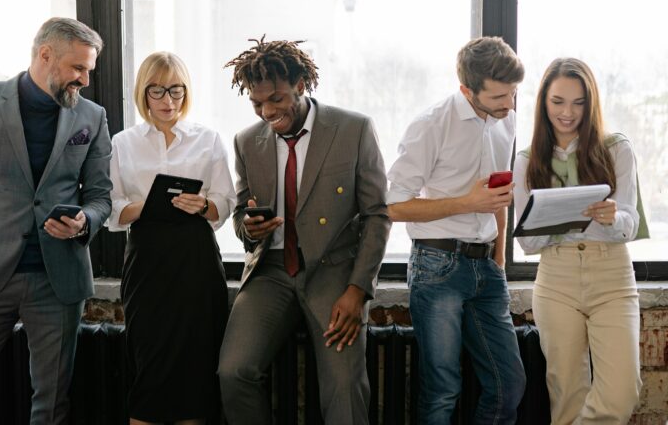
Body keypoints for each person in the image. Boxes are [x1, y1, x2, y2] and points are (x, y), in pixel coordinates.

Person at [0, 17, 112, 424]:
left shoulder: (92, 118)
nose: (84, 79)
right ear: (45, 55)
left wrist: (84, 223)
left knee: (51, 409)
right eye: (78, 68)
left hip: (57, 279)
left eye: (89, 70)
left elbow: (100, 197)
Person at [217, 37, 390, 425]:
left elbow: (377, 215)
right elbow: (243, 227)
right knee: (233, 372)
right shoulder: (246, 142)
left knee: (344, 389)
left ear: (301, 84)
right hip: (270, 273)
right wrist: (249, 228)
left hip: (334, 274)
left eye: (276, 99)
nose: (267, 111)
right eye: (257, 103)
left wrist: (357, 290)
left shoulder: (353, 128)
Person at [386, 36, 527, 424]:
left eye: (513, 93)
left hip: (487, 267)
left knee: (509, 385)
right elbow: (393, 205)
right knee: (442, 392)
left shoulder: (506, 119)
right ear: (467, 90)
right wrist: (468, 203)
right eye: (500, 96)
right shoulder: (431, 124)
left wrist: (498, 258)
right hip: (437, 266)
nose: (510, 104)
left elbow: (496, 194)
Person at [513, 57, 644, 424]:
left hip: (612, 277)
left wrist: (612, 217)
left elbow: (629, 224)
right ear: (543, 103)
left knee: (621, 392)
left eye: (578, 102)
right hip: (557, 278)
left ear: (591, 103)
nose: (567, 112)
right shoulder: (527, 161)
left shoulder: (616, 148)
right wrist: (558, 220)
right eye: (558, 102)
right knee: (567, 395)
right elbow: (527, 243)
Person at [107, 52, 235, 425]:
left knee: (196, 369)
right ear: (143, 93)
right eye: (158, 92)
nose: (168, 102)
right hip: (147, 259)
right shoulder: (123, 142)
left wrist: (202, 204)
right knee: (149, 363)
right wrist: (146, 205)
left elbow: (226, 203)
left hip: (195, 259)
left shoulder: (207, 139)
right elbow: (111, 208)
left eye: (176, 91)